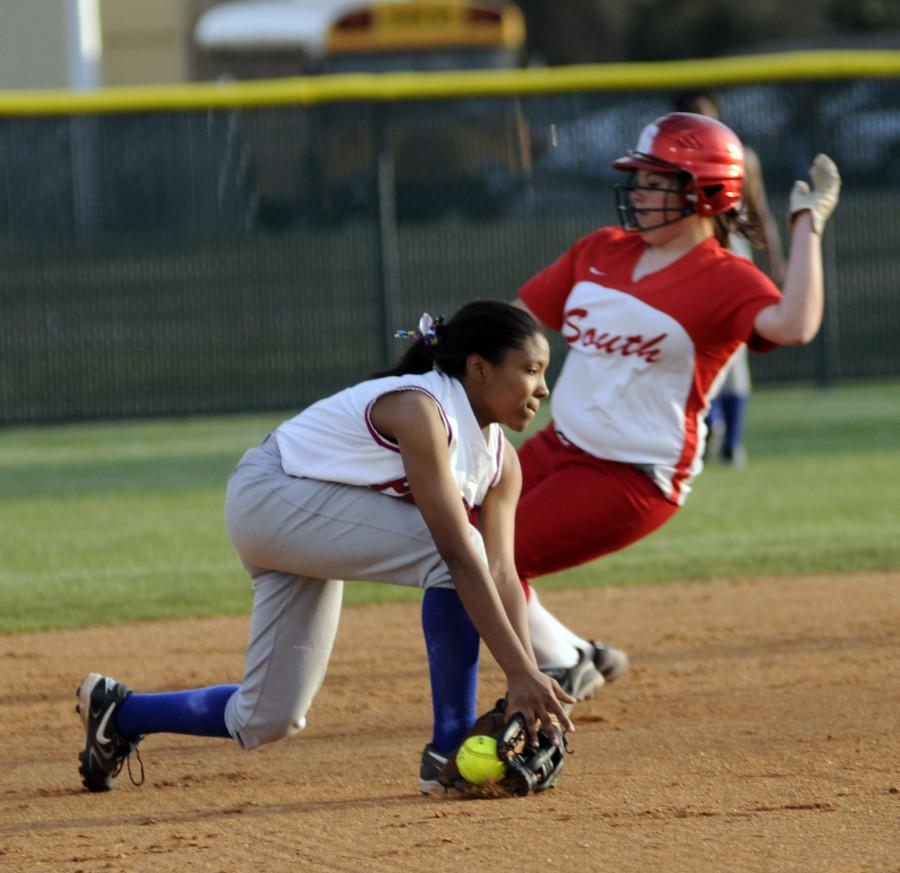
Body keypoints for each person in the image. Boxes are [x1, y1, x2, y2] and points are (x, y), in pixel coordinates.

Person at [74, 300, 575, 795]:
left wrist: (523, 684)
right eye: (531, 369)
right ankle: (448, 747)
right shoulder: (423, 410)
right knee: (457, 547)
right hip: (269, 495)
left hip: (309, 522)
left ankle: (119, 713)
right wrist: (518, 671)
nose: (543, 387)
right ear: (479, 369)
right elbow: (456, 553)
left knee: (269, 716)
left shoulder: (502, 462)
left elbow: (503, 574)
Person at [498, 111, 839, 703]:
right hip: (560, 445)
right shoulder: (601, 249)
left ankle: (564, 660)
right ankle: (574, 656)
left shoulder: (724, 277)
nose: (641, 193)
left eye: (660, 182)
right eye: (642, 179)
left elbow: (796, 324)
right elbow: (518, 317)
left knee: (486, 557)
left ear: (708, 192)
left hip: (633, 473)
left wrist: (807, 223)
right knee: (464, 544)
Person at [674, 89, 787, 468]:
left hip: (732, 262)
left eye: (707, 114)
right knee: (692, 348)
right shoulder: (674, 162)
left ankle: (730, 439)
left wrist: (777, 259)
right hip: (691, 262)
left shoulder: (742, 157)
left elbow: (760, 213)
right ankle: (712, 423)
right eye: (693, 115)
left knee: (735, 355)